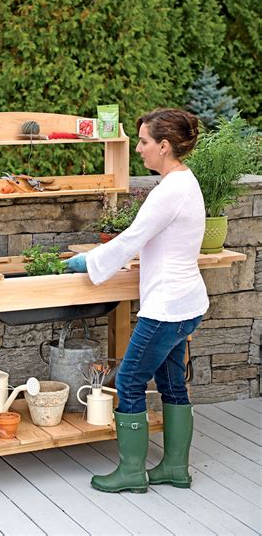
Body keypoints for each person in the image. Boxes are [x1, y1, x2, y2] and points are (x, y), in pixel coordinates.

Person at [65, 107, 208, 494]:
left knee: (128, 381)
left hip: (167, 308)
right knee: (172, 381)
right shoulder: (185, 182)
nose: (140, 149)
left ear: (164, 146)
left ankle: (131, 472)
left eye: (144, 142)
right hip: (187, 303)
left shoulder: (169, 191)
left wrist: (86, 263)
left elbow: (132, 237)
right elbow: (156, 241)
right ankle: (175, 468)